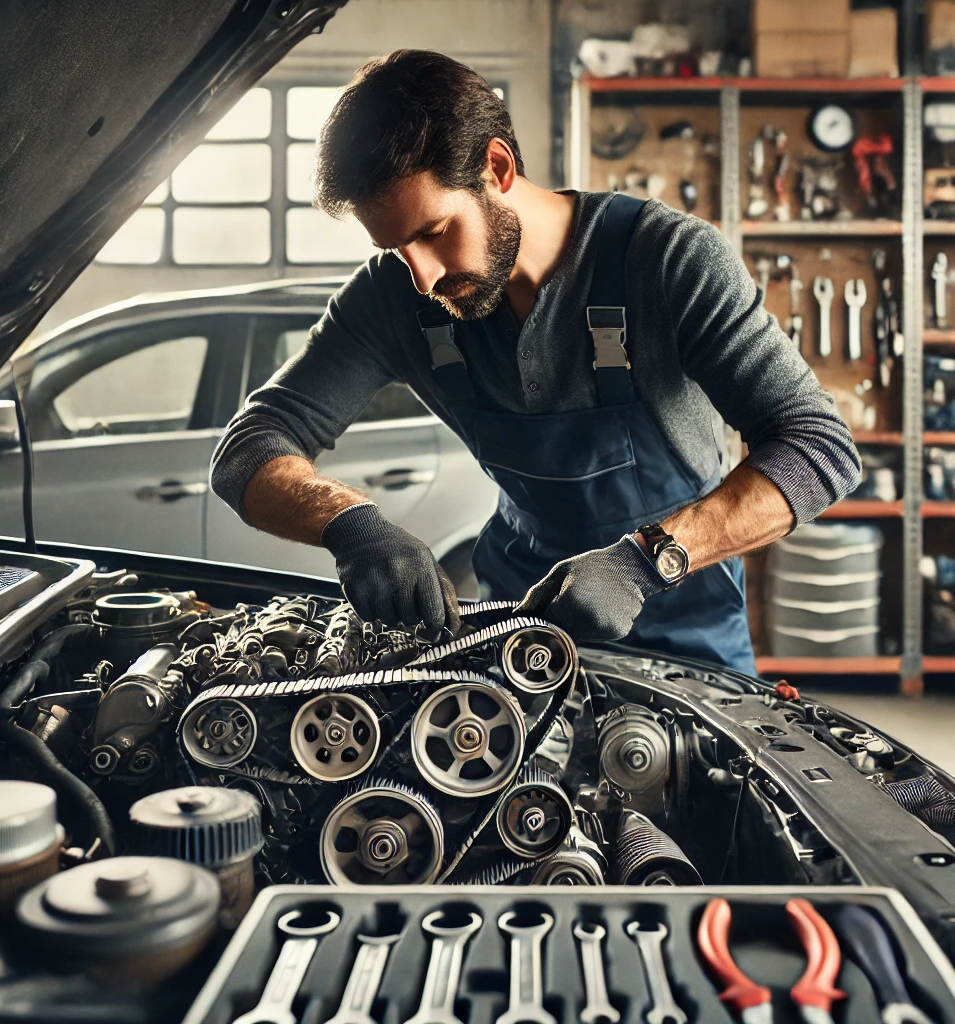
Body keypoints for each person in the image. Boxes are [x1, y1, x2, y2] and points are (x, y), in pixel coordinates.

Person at [210, 50, 860, 676]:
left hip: (686, 648)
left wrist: (647, 560)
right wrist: (349, 523)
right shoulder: (390, 297)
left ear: (497, 167)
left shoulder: (668, 260)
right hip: (518, 639)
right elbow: (248, 449)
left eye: (433, 232)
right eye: (395, 247)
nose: (421, 276)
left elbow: (819, 448)